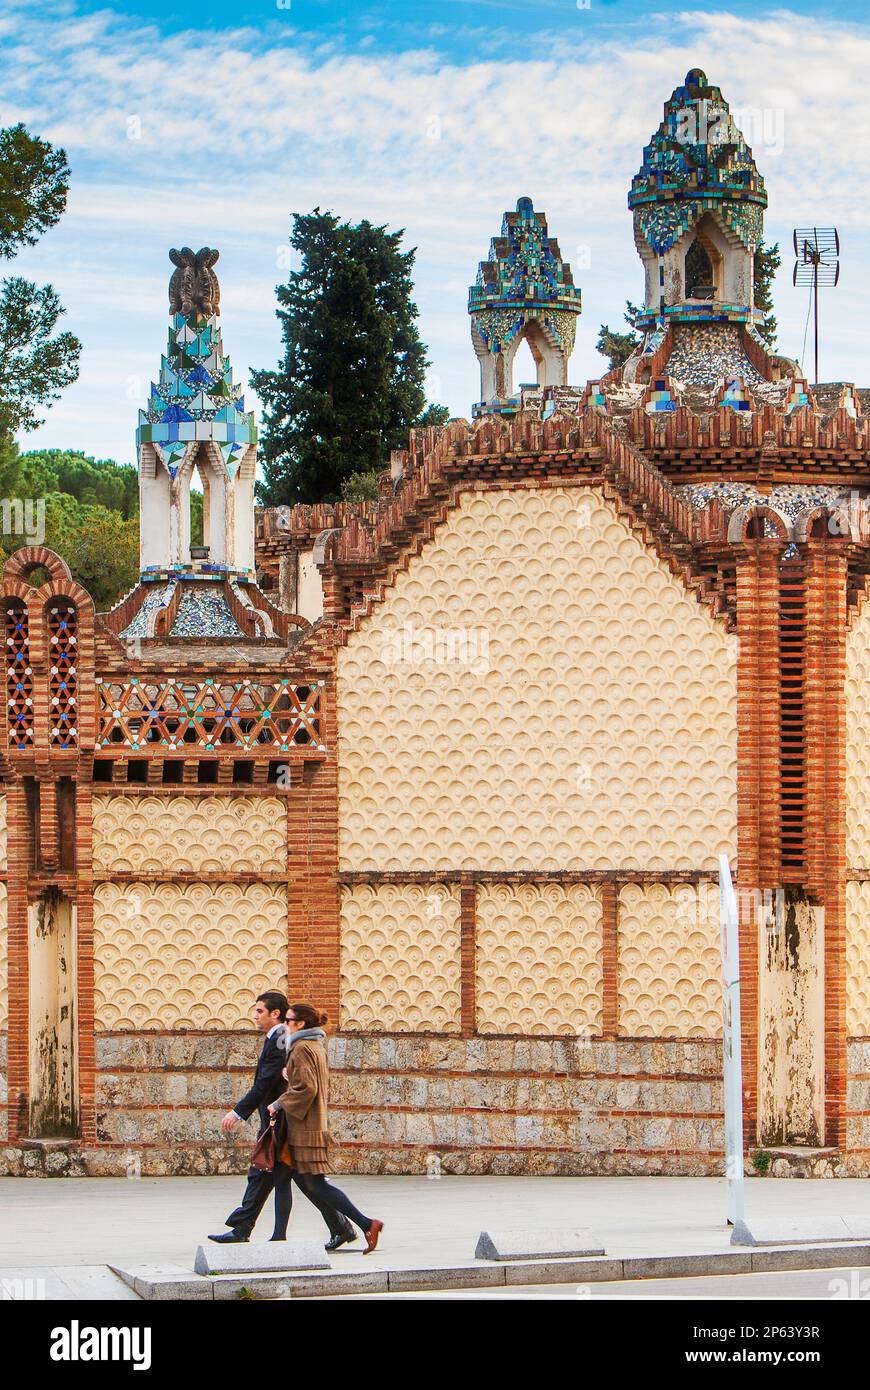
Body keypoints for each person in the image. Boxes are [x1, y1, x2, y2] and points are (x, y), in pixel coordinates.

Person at [208, 991, 356, 1249]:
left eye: (259, 1011)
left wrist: (239, 1111)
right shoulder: (280, 1038)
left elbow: (268, 1082)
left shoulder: (281, 1040)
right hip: (280, 1118)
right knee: (289, 1177)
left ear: (275, 1014)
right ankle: (339, 1226)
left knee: (271, 1173)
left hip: (283, 1121)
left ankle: (350, 1225)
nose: (254, 1016)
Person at [268, 1002, 383, 1254]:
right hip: (313, 1124)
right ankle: (341, 1229)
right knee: (306, 1182)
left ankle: (366, 1223)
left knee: (317, 1184)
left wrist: (277, 1103)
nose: (284, 1024)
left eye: (288, 1020)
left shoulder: (300, 1048)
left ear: (300, 1024)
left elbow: (307, 1088)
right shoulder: (315, 1046)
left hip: (305, 1128)